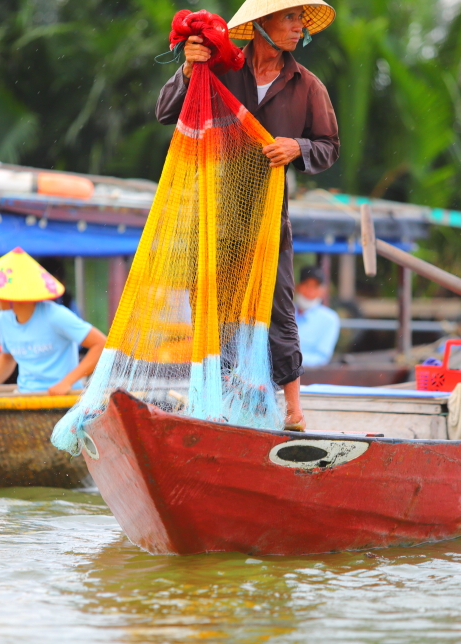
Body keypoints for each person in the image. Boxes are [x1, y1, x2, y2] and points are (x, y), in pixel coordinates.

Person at [156, 0, 339, 430]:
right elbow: (166, 111)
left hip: (269, 216)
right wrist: (187, 70)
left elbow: (329, 146)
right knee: (210, 302)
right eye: (289, 18)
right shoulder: (220, 71)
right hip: (215, 210)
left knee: (278, 306)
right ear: (261, 24)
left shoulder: (308, 85)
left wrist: (299, 147)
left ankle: (293, 410)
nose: (297, 28)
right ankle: (217, 397)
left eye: (300, 20)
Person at [0, 247, 106, 397]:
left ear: (14, 296)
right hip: (25, 397)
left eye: (0, 293)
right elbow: (7, 357)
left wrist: (66, 382)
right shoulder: (3, 318)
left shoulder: (56, 315)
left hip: (61, 399)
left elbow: (101, 344)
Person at [295, 266, 340, 366]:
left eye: (315, 287)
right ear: (297, 287)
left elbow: (322, 357)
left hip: (310, 374)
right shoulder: (284, 313)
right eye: (306, 285)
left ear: (323, 291)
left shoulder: (330, 319)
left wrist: (291, 360)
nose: (310, 291)